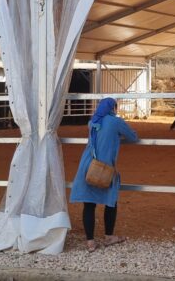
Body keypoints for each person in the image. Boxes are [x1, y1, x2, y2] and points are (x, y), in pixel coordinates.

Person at [69, 98, 139, 252]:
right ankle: (109, 236)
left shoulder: (92, 121)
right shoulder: (116, 122)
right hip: (105, 167)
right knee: (110, 201)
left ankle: (90, 242)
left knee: (88, 203)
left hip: (87, 165)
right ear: (113, 108)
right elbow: (133, 137)